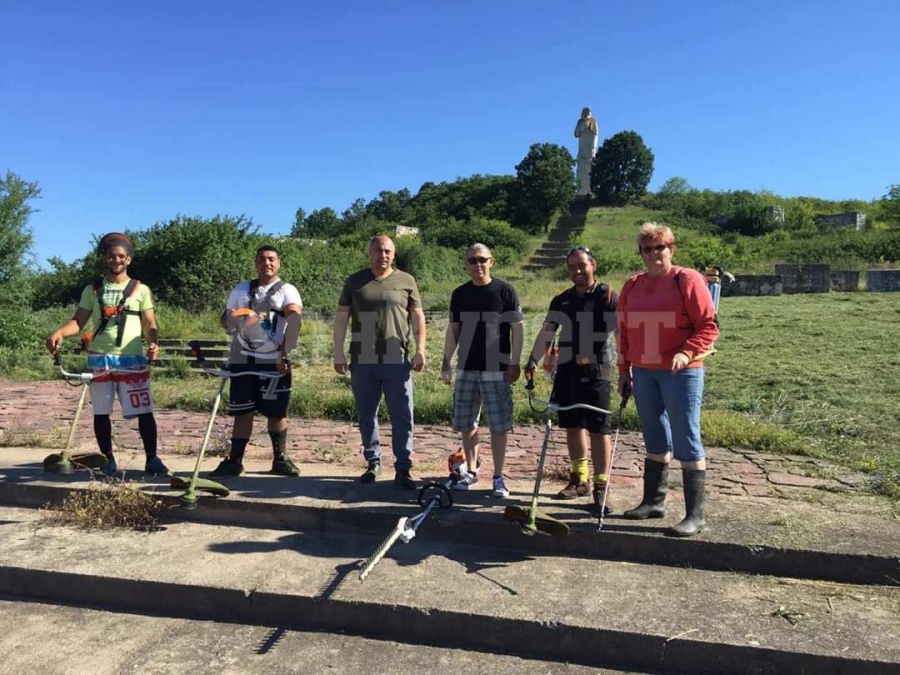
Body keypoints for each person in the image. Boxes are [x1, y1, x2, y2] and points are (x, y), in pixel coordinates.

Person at [616, 222, 719, 537]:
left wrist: (687, 353)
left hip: (681, 371)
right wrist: (624, 370)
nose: (653, 254)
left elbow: (709, 326)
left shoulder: (686, 280)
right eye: (646, 249)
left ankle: (695, 516)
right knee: (654, 436)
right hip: (644, 371)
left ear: (670, 249)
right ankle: (653, 502)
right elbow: (625, 333)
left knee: (686, 437)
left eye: (659, 247)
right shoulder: (632, 286)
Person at [45, 232, 169, 476]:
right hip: (100, 359)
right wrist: (60, 333)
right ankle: (108, 459)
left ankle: (152, 459)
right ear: (104, 258)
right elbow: (78, 321)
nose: (117, 260)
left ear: (129, 259)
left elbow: (149, 322)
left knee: (144, 411)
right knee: (101, 412)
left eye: (121, 256)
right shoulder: (92, 290)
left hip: (132, 361)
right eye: (111, 256)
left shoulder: (141, 290)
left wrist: (153, 343)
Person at [525, 246, 618, 515]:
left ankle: (601, 486)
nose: (577, 271)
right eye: (572, 267)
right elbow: (546, 332)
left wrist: (628, 368)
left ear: (594, 265)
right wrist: (532, 360)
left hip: (597, 371)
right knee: (572, 425)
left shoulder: (608, 296)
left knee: (599, 429)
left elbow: (625, 333)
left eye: (582, 265)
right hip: (566, 370)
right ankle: (580, 479)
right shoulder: (561, 299)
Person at [333, 235, 426, 490]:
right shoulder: (355, 281)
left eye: (387, 251)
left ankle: (403, 467)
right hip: (362, 358)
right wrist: (338, 353)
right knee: (366, 414)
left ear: (393, 254)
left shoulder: (406, 281)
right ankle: (373, 462)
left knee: (403, 414)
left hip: (397, 358)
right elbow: (342, 317)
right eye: (378, 250)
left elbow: (417, 317)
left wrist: (421, 350)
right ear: (370, 253)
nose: (382, 255)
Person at [210, 245, 303, 477]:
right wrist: (237, 315)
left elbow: (295, 320)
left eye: (271, 259)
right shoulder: (241, 289)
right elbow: (225, 321)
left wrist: (284, 353)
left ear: (279, 263)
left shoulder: (287, 290)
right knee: (243, 411)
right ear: (255, 263)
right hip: (242, 359)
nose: (267, 263)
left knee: (276, 412)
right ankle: (235, 460)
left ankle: (280, 459)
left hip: (274, 359)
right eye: (262, 259)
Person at [441, 244, 523, 498]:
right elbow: (453, 329)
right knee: (467, 424)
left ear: (491, 262)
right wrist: (446, 360)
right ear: (466, 264)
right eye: (472, 261)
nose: (477, 265)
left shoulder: (505, 291)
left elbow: (518, 329)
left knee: (498, 426)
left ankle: (498, 477)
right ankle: (472, 472)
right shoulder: (460, 293)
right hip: (467, 367)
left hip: (496, 369)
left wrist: (515, 361)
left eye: (482, 260)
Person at [574, 106, 599, 196]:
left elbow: (596, 135)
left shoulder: (593, 121)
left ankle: (589, 191)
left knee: (589, 169)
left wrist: (593, 149)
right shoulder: (580, 122)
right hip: (582, 148)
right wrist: (582, 126)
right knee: (581, 169)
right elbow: (576, 134)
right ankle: (580, 192)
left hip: (589, 149)